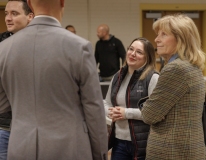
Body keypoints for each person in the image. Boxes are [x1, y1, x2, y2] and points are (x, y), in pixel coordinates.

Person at [0, 0, 107, 159]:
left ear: (29, 3)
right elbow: (93, 109)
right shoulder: (79, 47)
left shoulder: (4, 48)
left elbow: (2, 103)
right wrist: (100, 154)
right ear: (62, 2)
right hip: (69, 148)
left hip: (21, 148)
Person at [139, 14, 206, 159]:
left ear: (181, 39)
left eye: (163, 34)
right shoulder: (192, 66)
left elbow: (149, 115)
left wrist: (150, 107)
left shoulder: (176, 69)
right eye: (157, 34)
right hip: (188, 147)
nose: (156, 39)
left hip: (172, 150)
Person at [104, 37, 159, 160]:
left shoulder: (153, 78)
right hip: (118, 142)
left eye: (139, 52)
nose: (133, 54)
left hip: (143, 144)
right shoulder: (117, 77)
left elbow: (155, 113)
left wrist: (126, 113)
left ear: (147, 57)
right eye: (131, 49)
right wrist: (111, 112)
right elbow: (106, 103)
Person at [0, 0, 34, 159]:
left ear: (30, 17)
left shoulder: (41, 44)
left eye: (14, 13)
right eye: (6, 13)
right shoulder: (1, 44)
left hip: (33, 128)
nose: (8, 18)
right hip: (4, 127)